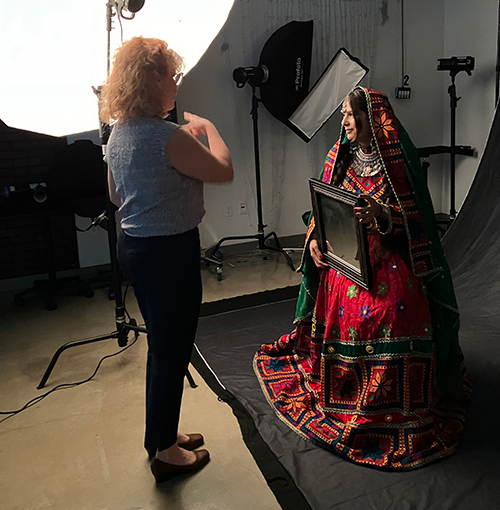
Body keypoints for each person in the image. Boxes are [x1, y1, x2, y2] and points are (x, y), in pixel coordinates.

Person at [254, 87, 470, 471]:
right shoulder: (338, 157)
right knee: (347, 301)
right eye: (343, 116)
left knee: (391, 311)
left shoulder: (400, 163)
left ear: (373, 119)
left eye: (350, 115)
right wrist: (315, 243)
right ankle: (346, 393)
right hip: (346, 260)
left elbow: (419, 224)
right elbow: (322, 212)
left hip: (391, 258)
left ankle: (396, 406)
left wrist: (384, 217)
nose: (345, 122)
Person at [99, 36, 233, 483]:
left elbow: (117, 196)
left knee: (164, 345)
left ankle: (162, 436)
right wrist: (208, 128)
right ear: (153, 78)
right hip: (168, 251)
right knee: (171, 350)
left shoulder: (119, 132)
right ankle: (163, 452)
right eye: (172, 75)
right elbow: (222, 171)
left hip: (135, 247)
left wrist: (179, 144)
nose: (177, 83)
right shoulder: (165, 134)